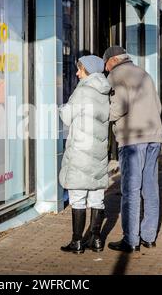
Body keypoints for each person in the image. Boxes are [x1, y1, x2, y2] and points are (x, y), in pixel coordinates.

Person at [103, 46, 162, 253]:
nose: (105, 68)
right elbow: (159, 107)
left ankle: (131, 240)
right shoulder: (143, 73)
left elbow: (119, 106)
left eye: (105, 64)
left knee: (131, 190)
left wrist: (101, 115)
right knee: (151, 188)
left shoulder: (116, 75)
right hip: (154, 137)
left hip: (132, 140)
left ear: (111, 61)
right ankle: (148, 237)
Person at [59, 55, 111, 254]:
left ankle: (77, 241)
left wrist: (62, 107)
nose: (77, 73)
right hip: (98, 150)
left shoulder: (82, 90)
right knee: (97, 196)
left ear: (88, 70)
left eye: (80, 69)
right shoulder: (104, 90)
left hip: (81, 149)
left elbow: (67, 117)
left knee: (78, 196)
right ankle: (96, 240)